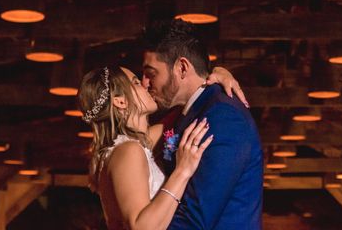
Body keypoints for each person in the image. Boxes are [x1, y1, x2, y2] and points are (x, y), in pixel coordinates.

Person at [78, 64, 245, 230]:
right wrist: (182, 171)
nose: (145, 84)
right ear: (121, 101)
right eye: (136, 82)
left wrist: (220, 72)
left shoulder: (137, 144)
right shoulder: (128, 150)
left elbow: (187, 112)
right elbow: (140, 227)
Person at [142, 19, 263, 229]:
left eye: (151, 74)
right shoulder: (188, 113)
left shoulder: (223, 117)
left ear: (181, 67)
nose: (145, 83)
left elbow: (194, 218)